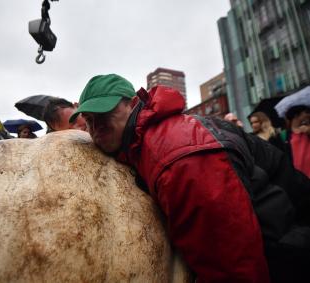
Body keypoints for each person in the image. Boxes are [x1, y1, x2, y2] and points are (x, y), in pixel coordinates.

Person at [69, 74, 310, 283]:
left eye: (103, 114)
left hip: (288, 250)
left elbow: (231, 263)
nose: (95, 127)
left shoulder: (178, 157)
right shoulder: (145, 143)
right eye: (88, 120)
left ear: (134, 104)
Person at [284, 105, 310, 177]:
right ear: (296, 115)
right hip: (298, 177)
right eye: (306, 112)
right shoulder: (285, 135)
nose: (308, 115)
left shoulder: (307, 129)